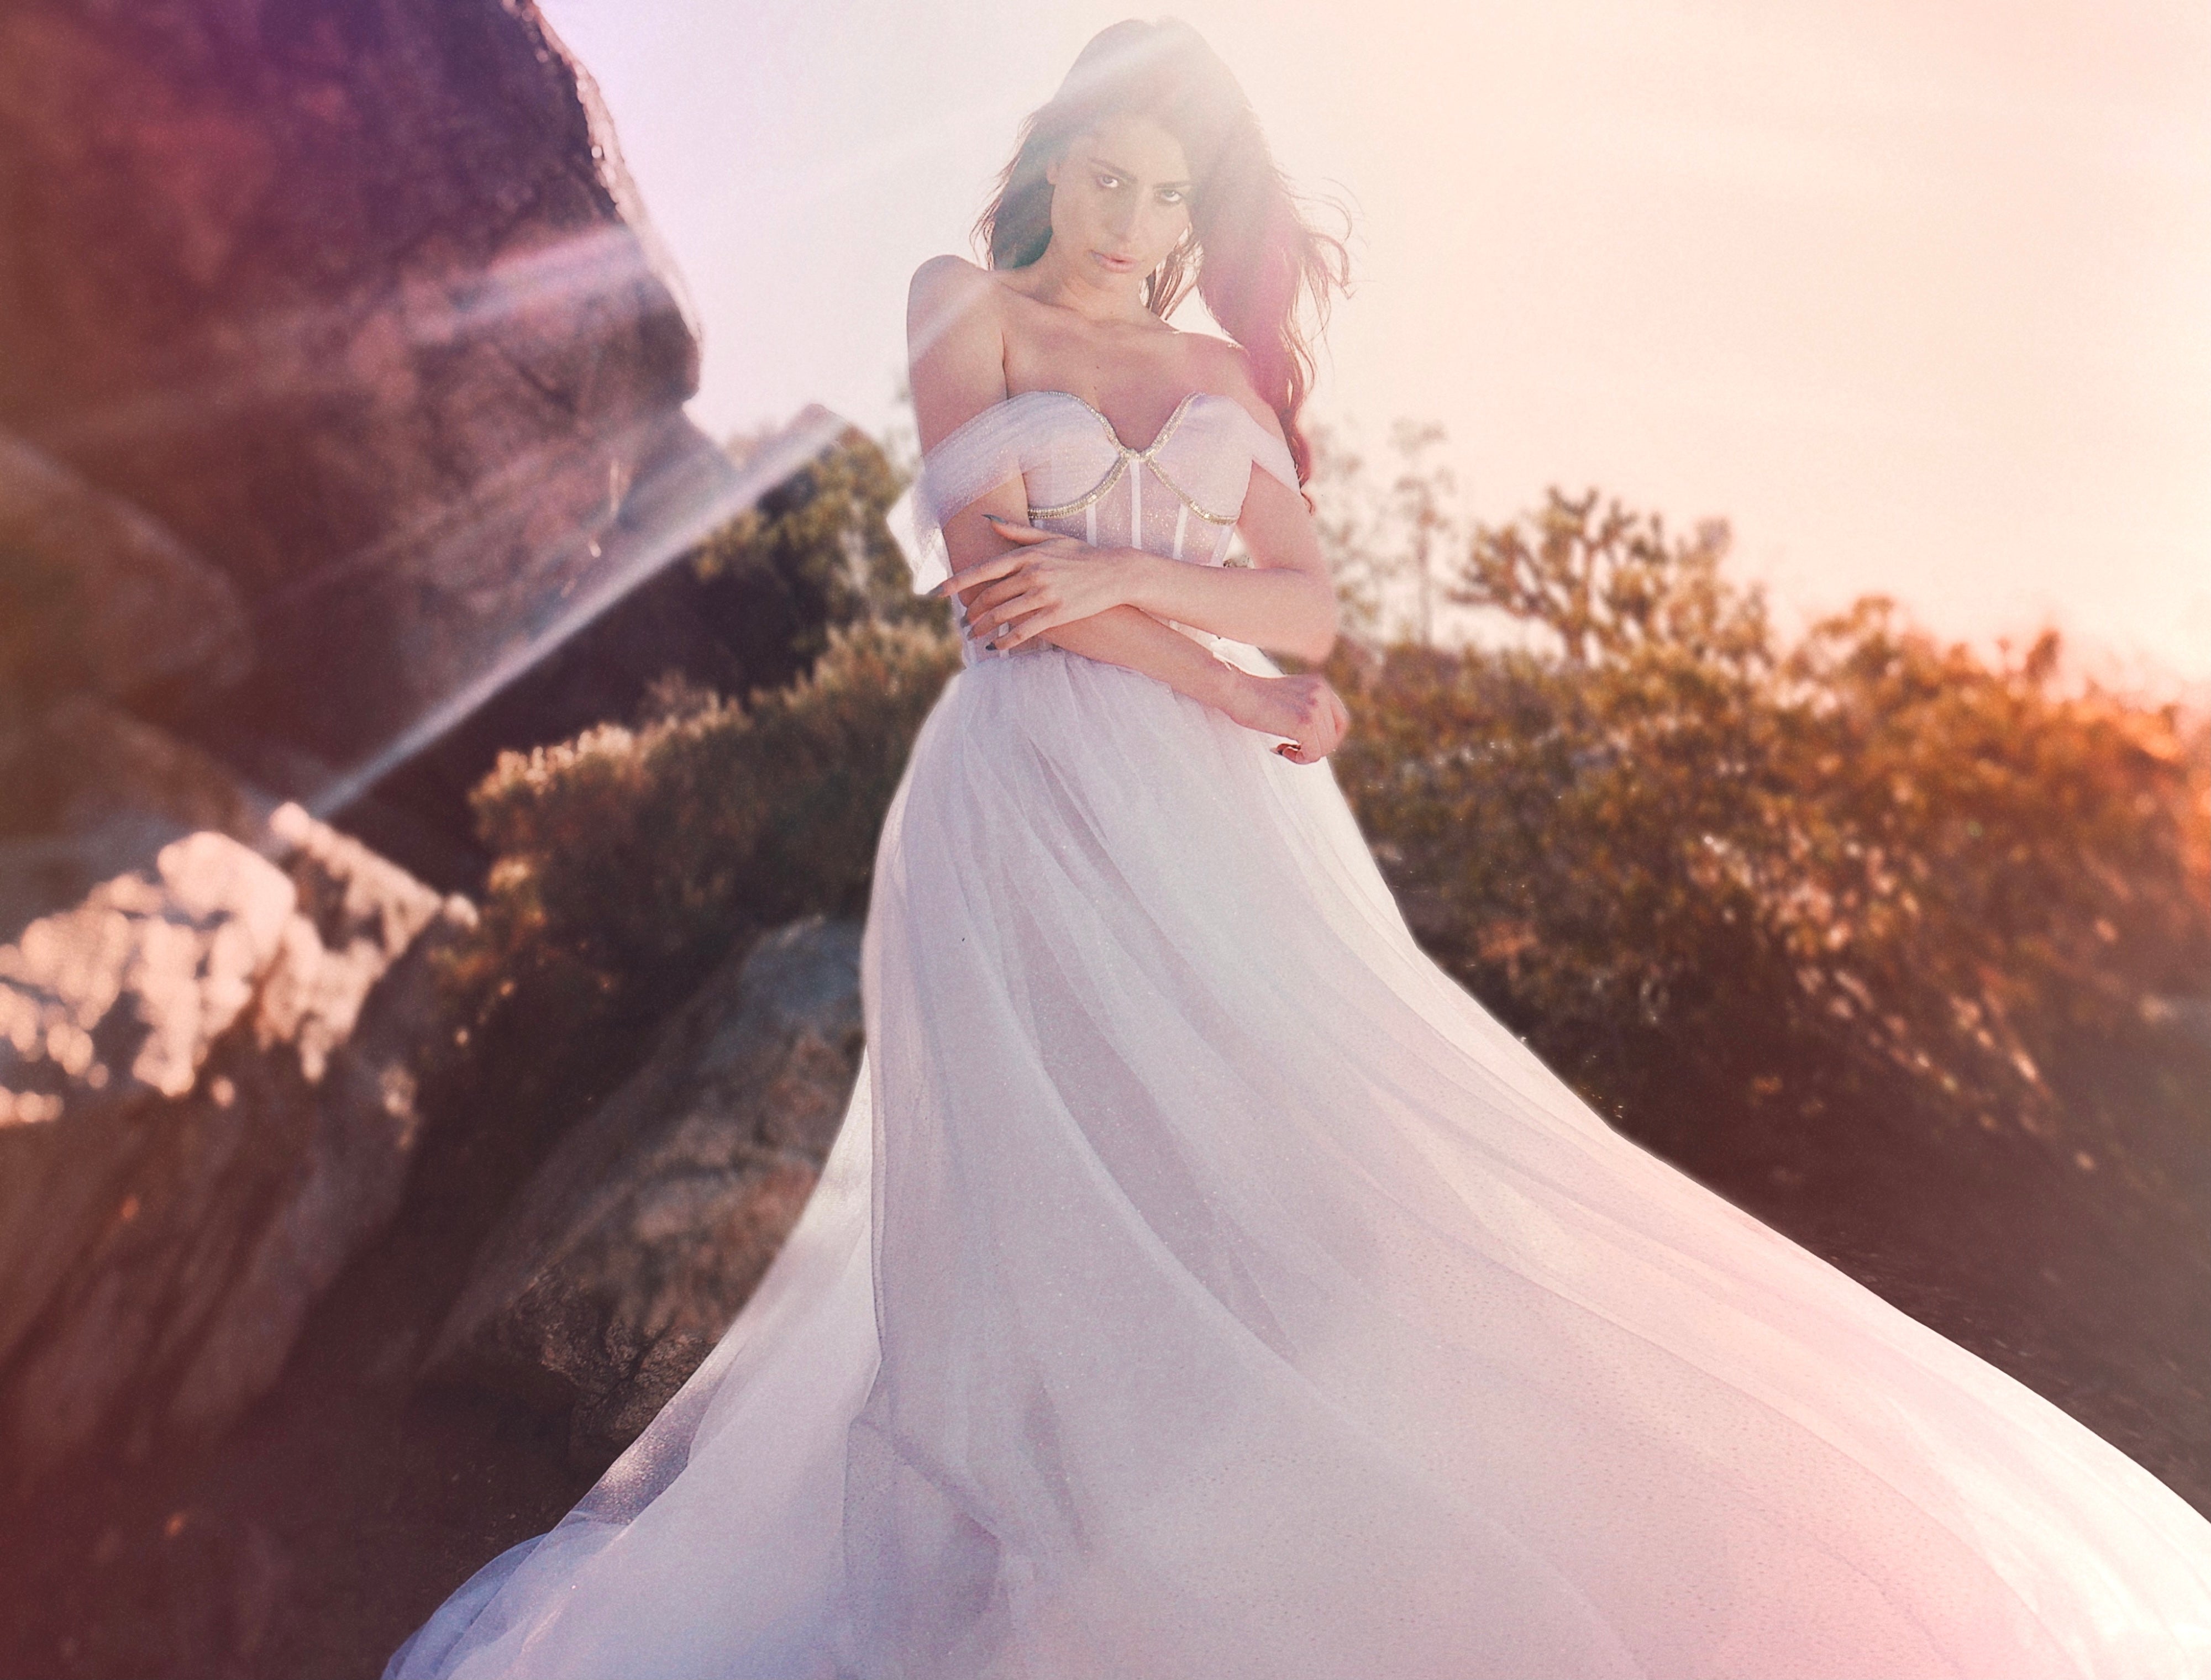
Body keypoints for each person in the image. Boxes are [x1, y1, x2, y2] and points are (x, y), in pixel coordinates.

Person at [384, 20, 2211, 1679]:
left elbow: (1311, 607)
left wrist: (1182, 622)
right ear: (1049, 167)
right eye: (1108, 174)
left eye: (1170, 192)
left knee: (1313, 1164)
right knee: (1048, 1189)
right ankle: (1041, 1566)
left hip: (1228, 821)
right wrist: (1199, 650)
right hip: (1028, 799)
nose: (1133, 215)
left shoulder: (1206, 368)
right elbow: (1001, 590)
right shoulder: (969, 301)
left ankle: (1245, 1549)